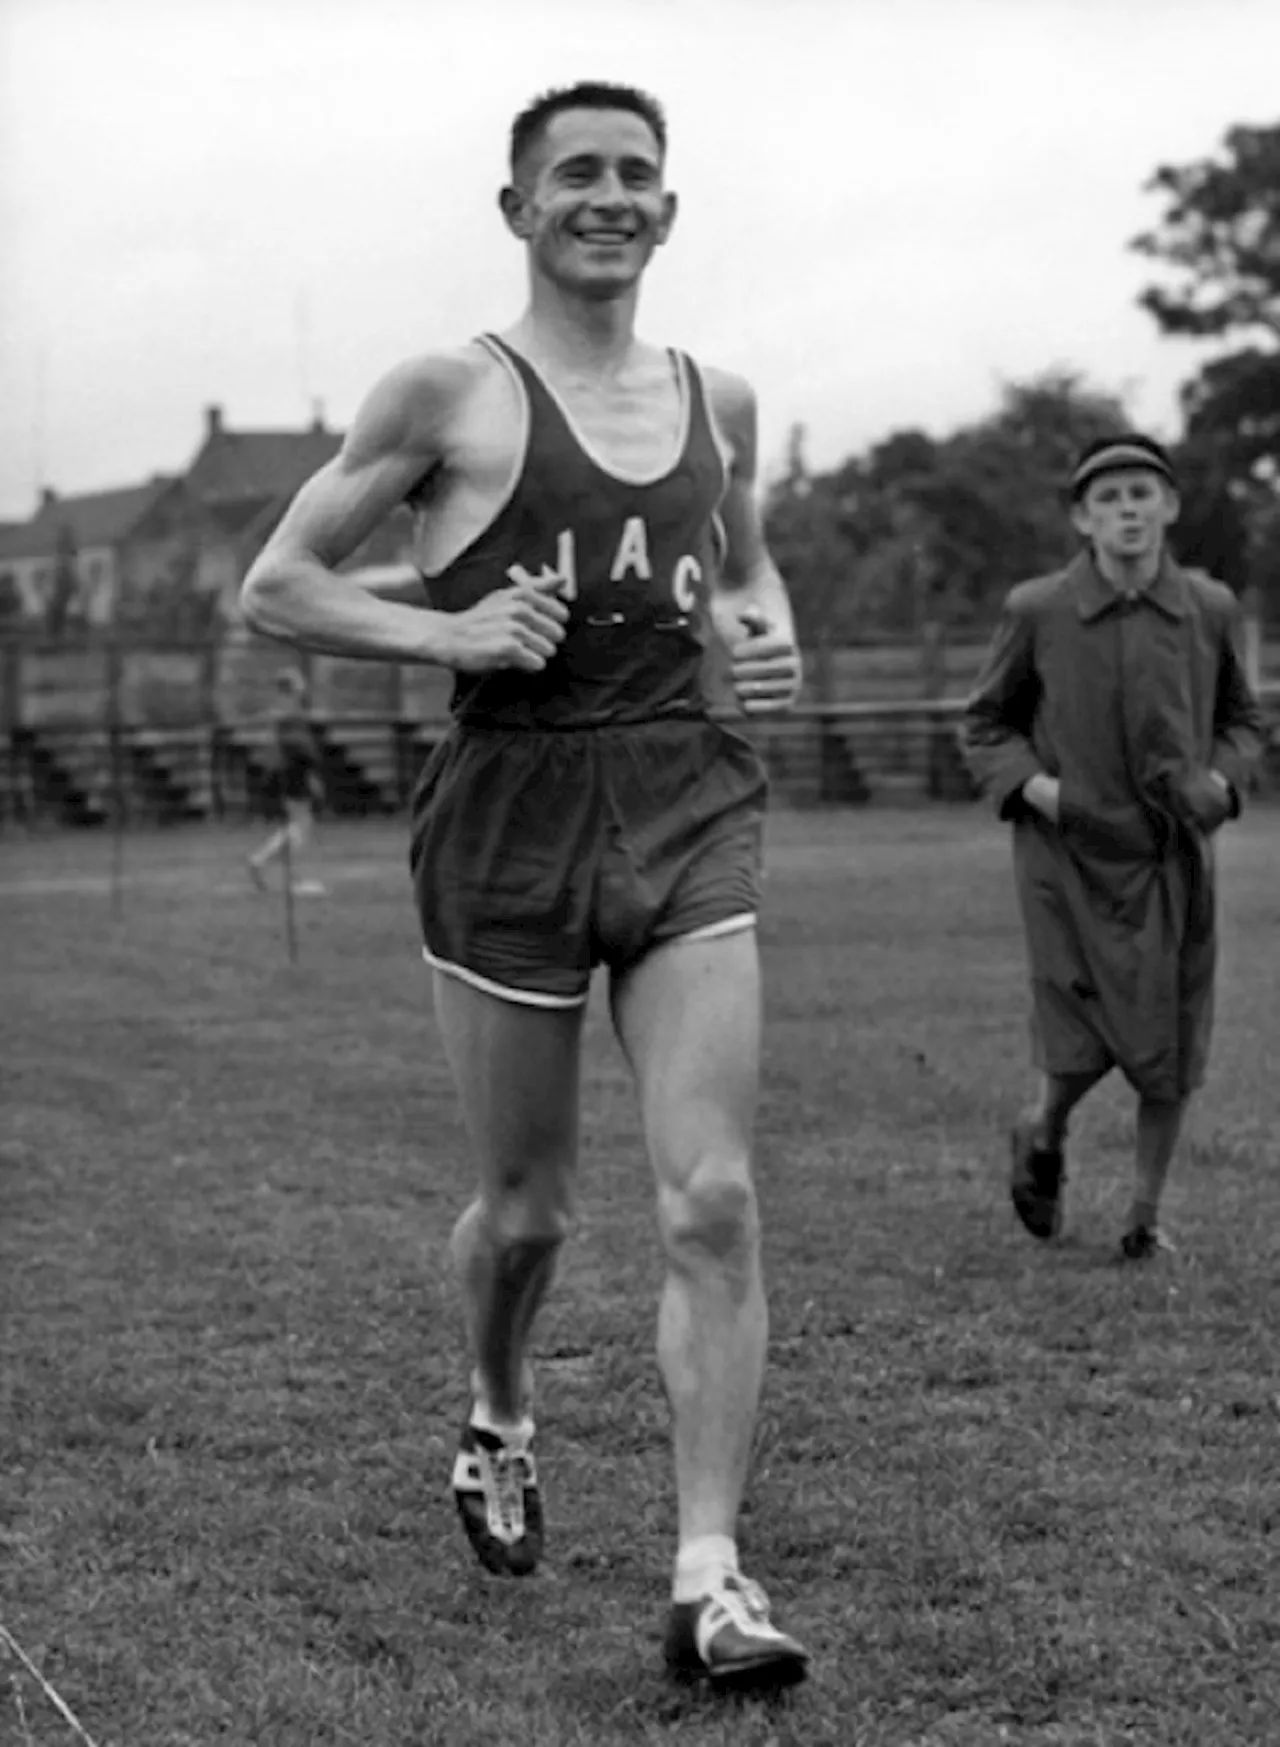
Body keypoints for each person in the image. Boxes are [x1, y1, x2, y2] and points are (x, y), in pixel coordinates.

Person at [241, 81, 810, 1688]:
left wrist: (762, 636)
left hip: (686, 794)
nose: (609, 196)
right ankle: (498, 1407)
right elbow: (273, 584)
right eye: (577, 174)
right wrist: (446, 630)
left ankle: (710, 1573)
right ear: (520, 210)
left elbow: (747, 569)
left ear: (669, 212)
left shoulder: (724, 398)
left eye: (637, 174)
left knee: (714, 1196)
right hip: (508, 810)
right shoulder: (448, 393)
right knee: (530, 1210)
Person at [963, 434, 1264, 1258]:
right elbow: (987, 722)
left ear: (1169, 506)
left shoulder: (1209, 608)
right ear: (1080, 518)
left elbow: (1243, 719)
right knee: (1078, 1032)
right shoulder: (1038, 610)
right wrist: (1043, 790)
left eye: (1142, 493)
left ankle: (1142, 1217)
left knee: (1171, 1032)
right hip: (1067, 855)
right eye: (1109, 498)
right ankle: (1043, 1127)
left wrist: (1223, 784)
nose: (1128, 509)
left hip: (1171, 857)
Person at [246, 668, 326, 895]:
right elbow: (300, 749)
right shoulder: (290, 714)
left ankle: (281, 871)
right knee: (298, 828)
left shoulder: (284, 713)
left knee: (299, 827)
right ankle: (264, 862)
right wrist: (311, 772)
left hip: (291, 772)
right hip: (294, 773)